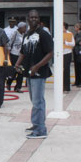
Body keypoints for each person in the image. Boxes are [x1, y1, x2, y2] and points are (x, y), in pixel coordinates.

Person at [15, 10, 53, 139]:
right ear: (27, 19)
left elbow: (50, 53)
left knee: (38, 101)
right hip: (29, 73)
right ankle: (36, 123)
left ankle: (40, 130)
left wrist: (37, 66)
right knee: (34, 100)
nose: (33, 19)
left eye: (36, 17)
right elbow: (23, 52)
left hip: (39, 72)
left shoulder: (43, 33)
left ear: (39, 18)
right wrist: (17, 64)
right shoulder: (27, 34)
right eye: (31, 17)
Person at [6, 22, 27, 93]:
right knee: (14, 71)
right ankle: (9, 82)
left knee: (21, 71)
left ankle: (18, 87)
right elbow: (9, 43)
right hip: (14, 54)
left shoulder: (25, 34)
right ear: (20, 28)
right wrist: (8, 55)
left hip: (22, 55)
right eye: (24, 27)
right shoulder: (15, 33)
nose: (25, 28)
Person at [63, 23, 75, 93]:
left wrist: (66, 42)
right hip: (60, 53)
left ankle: (67, 88)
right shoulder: (58, 32)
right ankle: (61, 86)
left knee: (66, 70)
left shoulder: (69, 34)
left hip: (67, 53)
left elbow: (73, 43)